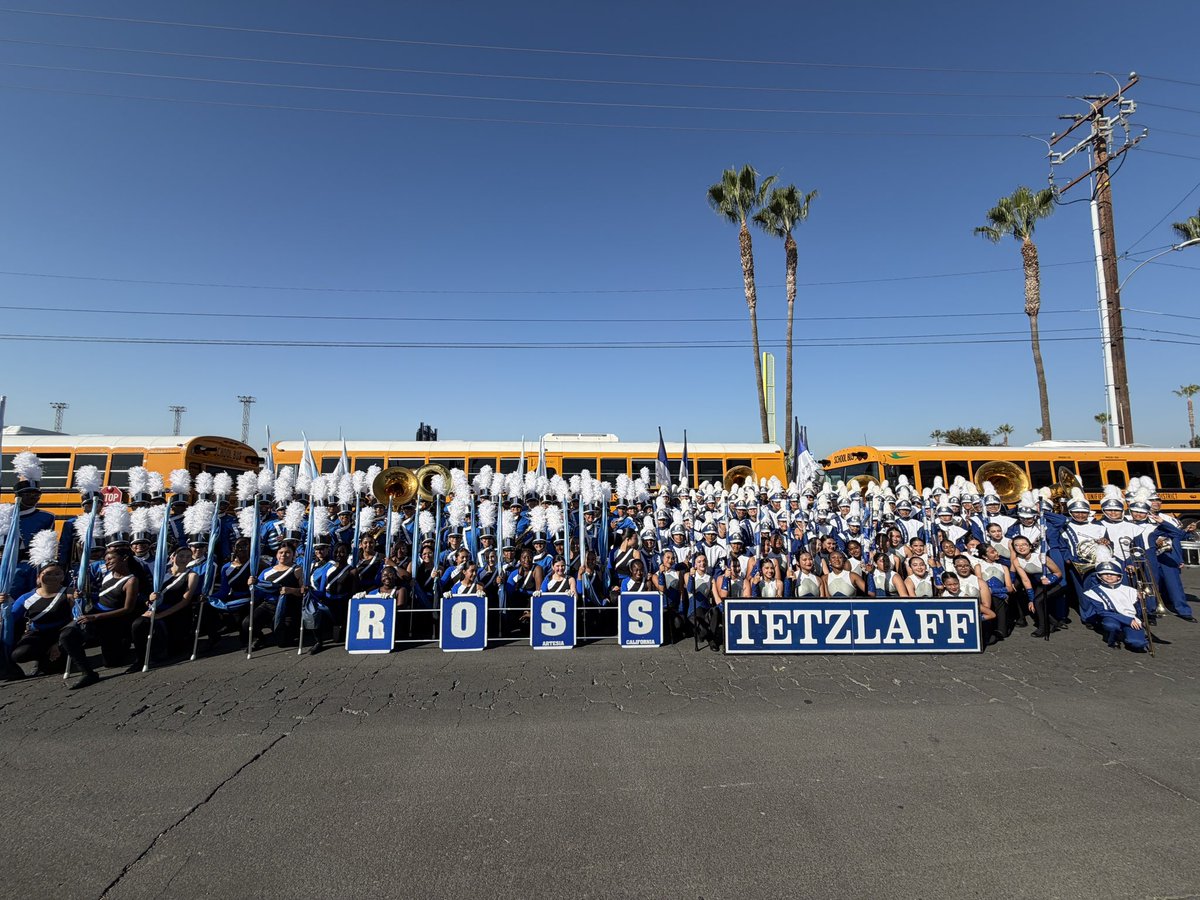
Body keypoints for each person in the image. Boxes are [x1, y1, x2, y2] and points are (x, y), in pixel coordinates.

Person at [59, 548, 140, 689]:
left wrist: (96, 617)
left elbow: (128, 609)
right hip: (94, 616)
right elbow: (102, 596)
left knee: (111, 662)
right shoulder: (108, 575)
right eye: (106, 559)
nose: (107, 562)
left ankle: (123, 644)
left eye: (110, 559)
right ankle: (87, 673)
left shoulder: (131, 580)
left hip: (112, 620)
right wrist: (84, 595)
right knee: (67, 635)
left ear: (124, 559)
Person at [2, 531, 73, 679]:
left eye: (57, 574)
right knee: (19, 655)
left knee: (51, 668)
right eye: (48, 574)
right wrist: (3, 602)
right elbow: (11, 618)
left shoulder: (69, 593)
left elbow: (76, 619)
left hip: (63, 634)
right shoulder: (26, 597)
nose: (53, 577)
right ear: (39, 577)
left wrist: (57, 643)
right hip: (38, 634)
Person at [130, 546, 199, 669]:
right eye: (181, 555)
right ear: (172, 557)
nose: (185, 559)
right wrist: (149, 600)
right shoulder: (162, 572)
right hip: (158, 608)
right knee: (138, 624)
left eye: (188, 556)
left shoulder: (192, 575)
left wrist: (159, 616)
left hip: (177, 612)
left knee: (174, 650)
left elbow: (185, 601)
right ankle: (140, 658)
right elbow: (152, 593)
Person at [1084, 552, 1148, 651]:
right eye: (1105, 573)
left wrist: (1141, 600)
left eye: (1113, 574)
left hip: (1131, 618)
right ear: (1099, 576)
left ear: (1119, 576)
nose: (1109, 576)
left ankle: (1128, 635)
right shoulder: (1094, 592)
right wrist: (1127, 620)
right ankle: (1113, 638)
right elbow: (1102, 612)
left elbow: (1138, 611)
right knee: (1111, 625)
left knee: (1138, 644)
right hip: (1112, 618)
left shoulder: (1129, 590)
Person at [248, 544, 304, 649]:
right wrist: (252, 584)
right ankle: (261, 638)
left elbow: (304, 592)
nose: (284, 555)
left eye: (287, 552)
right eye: (281, 552)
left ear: (293, 555)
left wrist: (291, 590)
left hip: (288, 607)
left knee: (283, 643)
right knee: (247, 624)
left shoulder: (297, 570)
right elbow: (258, 591)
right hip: (269, 605)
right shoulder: (266, 571)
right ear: (277, 554)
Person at [1011, 535, 1063, 638]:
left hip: (1055, 584)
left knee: (1038, 602)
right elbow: (1025, 580)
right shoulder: (1017, 561)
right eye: (1017, 545)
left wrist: (1050, 580)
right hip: (1040, 585)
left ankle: (1043, 628)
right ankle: (1053, 623)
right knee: (1034, 602)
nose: (1021, 547)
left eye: (1024, 544)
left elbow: (1058, 573)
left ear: (1030, 546)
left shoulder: (1041, 557)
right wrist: (1030, 599)